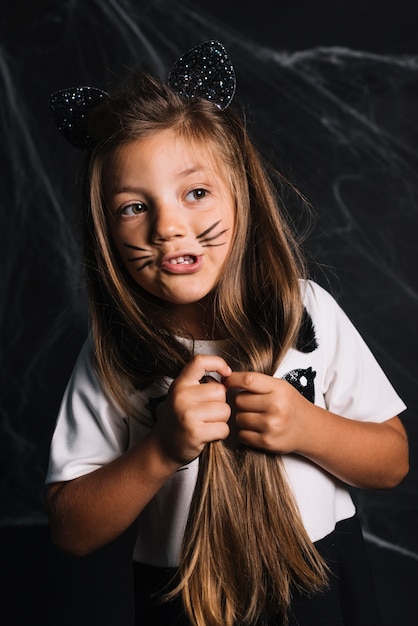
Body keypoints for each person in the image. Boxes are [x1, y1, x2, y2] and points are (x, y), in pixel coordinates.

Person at [46, 41, 409, 626]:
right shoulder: (114, 350)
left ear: (239, 195)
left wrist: (306, 426)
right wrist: (160, 449)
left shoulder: (305, 312)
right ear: (106, 230)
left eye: (195, 192)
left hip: (321, 579)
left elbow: (392, 462)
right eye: (134, 206)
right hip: (185, 595)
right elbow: (71, 529)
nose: (169, 226)